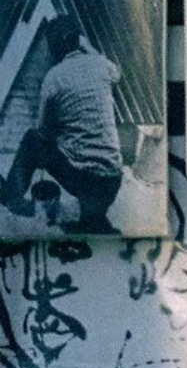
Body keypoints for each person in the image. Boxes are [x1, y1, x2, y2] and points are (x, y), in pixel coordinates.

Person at [1, 15, 125, 235]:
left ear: (54, 48)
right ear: (79, 41)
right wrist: (87, 46)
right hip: (112, 181)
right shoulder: (103, 66)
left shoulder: (53, 78)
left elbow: (42, 132)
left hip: (85, 182)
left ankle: (13, 200)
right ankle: (93, 216)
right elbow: (117, 74)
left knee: (32, 139)